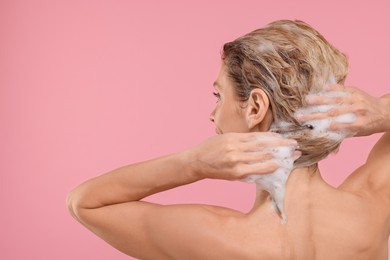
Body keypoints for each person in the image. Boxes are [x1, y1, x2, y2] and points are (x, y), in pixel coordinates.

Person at [67, 20, 390, 259]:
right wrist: (380, 112)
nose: (213, 114)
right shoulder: (370, 212)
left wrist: (192, 164)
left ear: (255, 107)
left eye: (218, 95)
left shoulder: (218, 239)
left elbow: (85, 203)